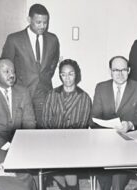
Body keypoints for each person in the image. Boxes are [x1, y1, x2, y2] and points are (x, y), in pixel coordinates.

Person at [91, 56, 137, 190]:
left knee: (118, 175)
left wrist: (130, 125)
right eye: (116, 70)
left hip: (128, 141)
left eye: (123, 69)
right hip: (105, 140)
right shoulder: (101, 87)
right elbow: (94, 118)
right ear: (110, 71)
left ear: (129, 70)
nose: (120, 73)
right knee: (104, 176)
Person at [1, 4, 60, 127]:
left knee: (43, 131)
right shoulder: (14, 39)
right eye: (38, 22)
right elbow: (5, 66)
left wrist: (45, 77)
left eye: (45, 22)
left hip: (44, 93)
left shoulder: (53, 39)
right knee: (22, 131)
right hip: (21, 93)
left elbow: (53, 62)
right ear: (29, 20)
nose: (42, 26)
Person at [40, 59, 92, 190]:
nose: (67, 78)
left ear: (77, 75)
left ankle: (66, 182)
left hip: (73, 144)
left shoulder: (84, 97)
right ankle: (60, 179)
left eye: (71, 74)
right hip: (52, 141)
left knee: (71, 178)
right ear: (60, 76)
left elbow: (82, 126)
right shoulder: (52, 94)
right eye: (63, 74)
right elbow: (45, 122)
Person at [0, 58, 36, 153]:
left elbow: (29, 122)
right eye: (6, 72)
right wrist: (8, 147)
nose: (12, 75)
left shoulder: (23, 92)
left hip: (21, 144)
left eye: (13, 71)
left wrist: (24, 144)